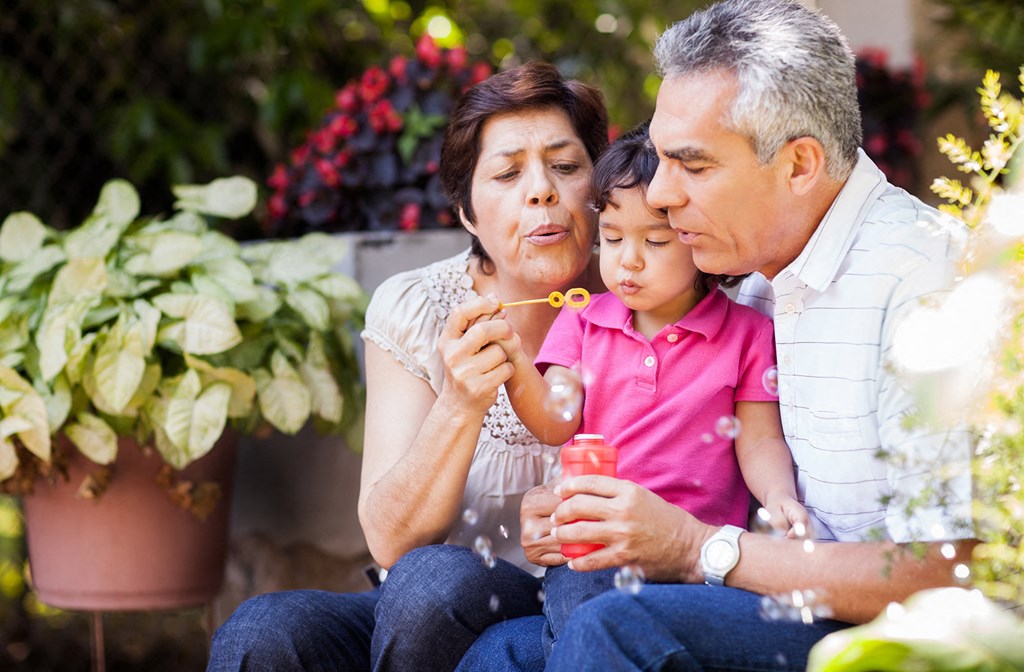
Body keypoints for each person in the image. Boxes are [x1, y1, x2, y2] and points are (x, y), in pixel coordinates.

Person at [457, 1, 975, 670]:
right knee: (500, 650)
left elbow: (948, 574)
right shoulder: (744, 265)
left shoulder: (924, 288)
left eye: (692, 166)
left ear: (799, 165)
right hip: (753, 589)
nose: (663, 196)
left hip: (872, 634)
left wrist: (696, 546)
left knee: (613, 631)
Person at [206, 61, 609, 671]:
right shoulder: (418, 305)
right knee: (264, 631)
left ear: (599, 187)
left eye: (566, 165)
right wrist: (460, 404)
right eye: (507, 172)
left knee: (432, 580)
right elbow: (389, 541)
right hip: (419, 618)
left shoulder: (643, 299)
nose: (541, 190)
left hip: (566, 607)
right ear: (467, 211)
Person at [495, 121, 810, 654]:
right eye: (613, 239)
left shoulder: (748, 335)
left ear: (696, 238)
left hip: (693, 558)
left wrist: (779, 495)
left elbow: (757, 440)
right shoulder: (583, 321)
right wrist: (511, 359)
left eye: (655, 241)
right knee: (582, 603)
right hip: (596, 546)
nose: (628, 260)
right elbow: (555, 418)